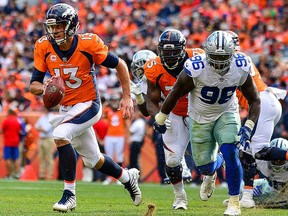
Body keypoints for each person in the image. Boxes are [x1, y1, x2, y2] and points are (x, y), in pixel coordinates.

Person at [29, 3, 141, 212]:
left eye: (60, 26)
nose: (55, 31)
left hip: (89, 103)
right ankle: (127, 177)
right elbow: (33, 83)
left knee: (61, 133)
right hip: (66, 108)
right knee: (94, 160)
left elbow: (120, 64)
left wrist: (127, 96)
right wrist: (44, 86)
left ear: (72, 26)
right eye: (52, 27)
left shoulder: (88, 43)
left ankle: (69, 194)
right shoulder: (43, 46)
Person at [153, 30, 261, 215]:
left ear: (233, 53)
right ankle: (211, 172)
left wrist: (249, 126)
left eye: (224, 57)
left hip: (226, 112)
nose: (219, 62)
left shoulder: (241, 66)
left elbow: (255, 100)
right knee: (204, 165)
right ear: (206, 53)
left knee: (231, 151)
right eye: (215, 57)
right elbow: (175, 93)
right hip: (199, 117)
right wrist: (161, 117)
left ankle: (234, 202)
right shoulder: (196, 67)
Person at [145, 29, 204, 210]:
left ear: (183, 49)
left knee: (205, 160)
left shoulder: (198, 59)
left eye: (173, 51)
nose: (169, 56)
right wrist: (158, 118)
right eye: (165, 51)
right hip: (175, 114)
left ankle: (210, 175)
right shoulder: (154, 67)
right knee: (171, 161)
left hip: (201, 113)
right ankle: (180, 197)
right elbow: (151, 100)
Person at [227, 30, 288, 208]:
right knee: (247, 152)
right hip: (265, 102)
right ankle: (246, 198)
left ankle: (250, 196)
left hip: (263, 104)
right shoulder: (238, 58)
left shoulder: (234, 61)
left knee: (258, 151)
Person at [130, 49, 170, 184]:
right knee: (164, 153)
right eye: (140, 68)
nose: (142, 71)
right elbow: (146, 112)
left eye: (144, 67)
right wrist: (139, 96)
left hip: (179, 114)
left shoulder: (164, 75)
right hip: (163, 119)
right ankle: (166, 177)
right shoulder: (143, 84)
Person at [223, 138, 288, 209]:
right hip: (270, 188)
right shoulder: (262, 162)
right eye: (274, 159)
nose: (277, 162)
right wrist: (250, 189)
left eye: (280, 160)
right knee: (240, 188)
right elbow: (249, 170)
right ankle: (238, 200)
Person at [102, 93, 130, 185]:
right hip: (109, 136)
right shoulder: (107, 110)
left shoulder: (122, 111)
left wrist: (127, 137)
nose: (114, 102)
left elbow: (127, 124)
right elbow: (100, 116)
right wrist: (104, 105)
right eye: (113, 100)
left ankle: (119, 178)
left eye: (115, 100)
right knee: (108, 158)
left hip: (119, 136)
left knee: (119, 157)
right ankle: (109, 177)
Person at [0, 107, 22, 179]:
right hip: (16, 141)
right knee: (16, 158)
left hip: (8, 142)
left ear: (9, 113)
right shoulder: (17, 121)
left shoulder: (6, 121)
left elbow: (2, 130)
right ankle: (17, 173)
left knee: (7, 158)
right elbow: (20, 131)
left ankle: (9, 174)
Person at [34, 108, 55, 180]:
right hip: (42, 139)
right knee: (41, 157)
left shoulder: (52, 117)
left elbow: (46, 129)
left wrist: (40, 128)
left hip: (48, 139)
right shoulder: (43, 117)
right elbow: (36, 126)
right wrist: (41, 129)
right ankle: (42, 174)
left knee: (49, 158)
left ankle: (49, 175)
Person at [127, 106, 146, 172]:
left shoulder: (138, 122)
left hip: (135, 143)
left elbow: (131, 130)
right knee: (135, 160)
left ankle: (135, 174)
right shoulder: (142, 122)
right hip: (138, 142)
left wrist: (128, 124)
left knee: (133, 160)